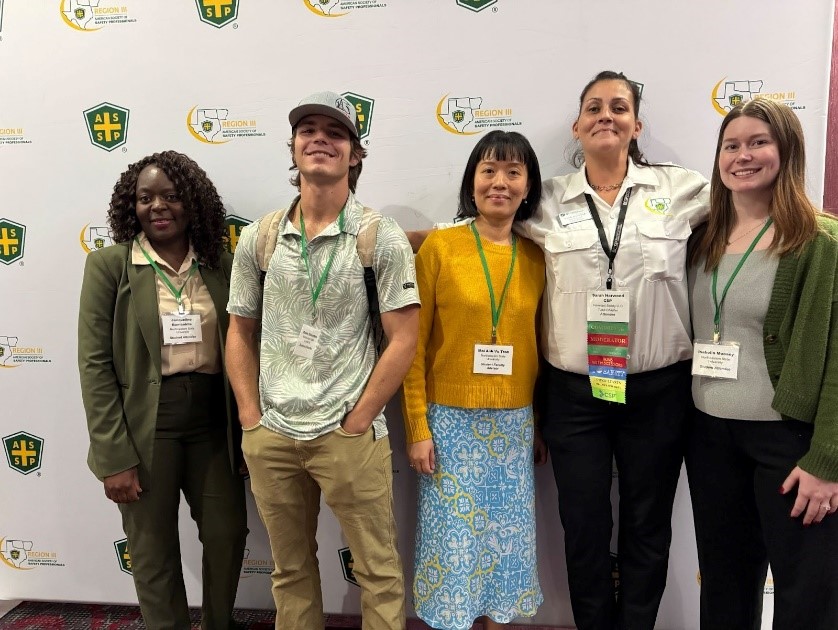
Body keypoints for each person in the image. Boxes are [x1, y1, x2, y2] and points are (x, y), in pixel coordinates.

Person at [518, 71, 709, 630]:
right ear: (577, 127)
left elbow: (750, 205)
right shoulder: (545, 199)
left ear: (636, 125)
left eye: (619, 107)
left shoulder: (680, 190)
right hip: (575, 397)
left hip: (658, 390)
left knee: (648, 525)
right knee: (583, 527)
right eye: (594, 107)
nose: (607, 115)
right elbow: (484, 224)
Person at [225, 91, 420, 630]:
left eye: (335, 133)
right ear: (292, 149)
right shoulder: (260, 237)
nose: (320, 140)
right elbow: (239, 330)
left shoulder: (379, 236)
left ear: (355, 155)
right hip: (273, 433)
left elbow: (404, 338)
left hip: (348, 433)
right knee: (289, 571)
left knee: (378, 571)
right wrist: (250, 418)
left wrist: (359, 420)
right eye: (307, 130)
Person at [78, 150, 248, 630]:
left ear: (192, 203)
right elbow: (94, 365)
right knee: (151, 546)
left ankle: (219, 622)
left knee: (227, 532)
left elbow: (245, 348)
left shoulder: (221, 264)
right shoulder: (109, 266)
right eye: (145, 198)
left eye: (171, 196)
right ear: (129, 206)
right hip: (145, 424)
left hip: (214, 420)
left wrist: (247, 431)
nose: (159, 206)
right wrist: (114, 456)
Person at [686, 98, 838, 629]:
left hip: (788, 443)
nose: (742, 155)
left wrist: (828, 459)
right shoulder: (701, 237)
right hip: (709, 437)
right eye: (732, 145)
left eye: (758, 143)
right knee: (724, 586)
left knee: (806, 594)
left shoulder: (820, 242)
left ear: (787, 150)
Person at [402, 130, 547, 630]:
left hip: (513, 428)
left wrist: (540, 424)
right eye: (488, 171)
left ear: (528, 186)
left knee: (505, 553)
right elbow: (413, 346)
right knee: (455, 552)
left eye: (513, 172)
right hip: (450, 428)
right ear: (472, 181)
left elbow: (543, 347)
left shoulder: (537, 257)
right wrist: (418, 426)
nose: (500, 183)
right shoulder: (440, 248)